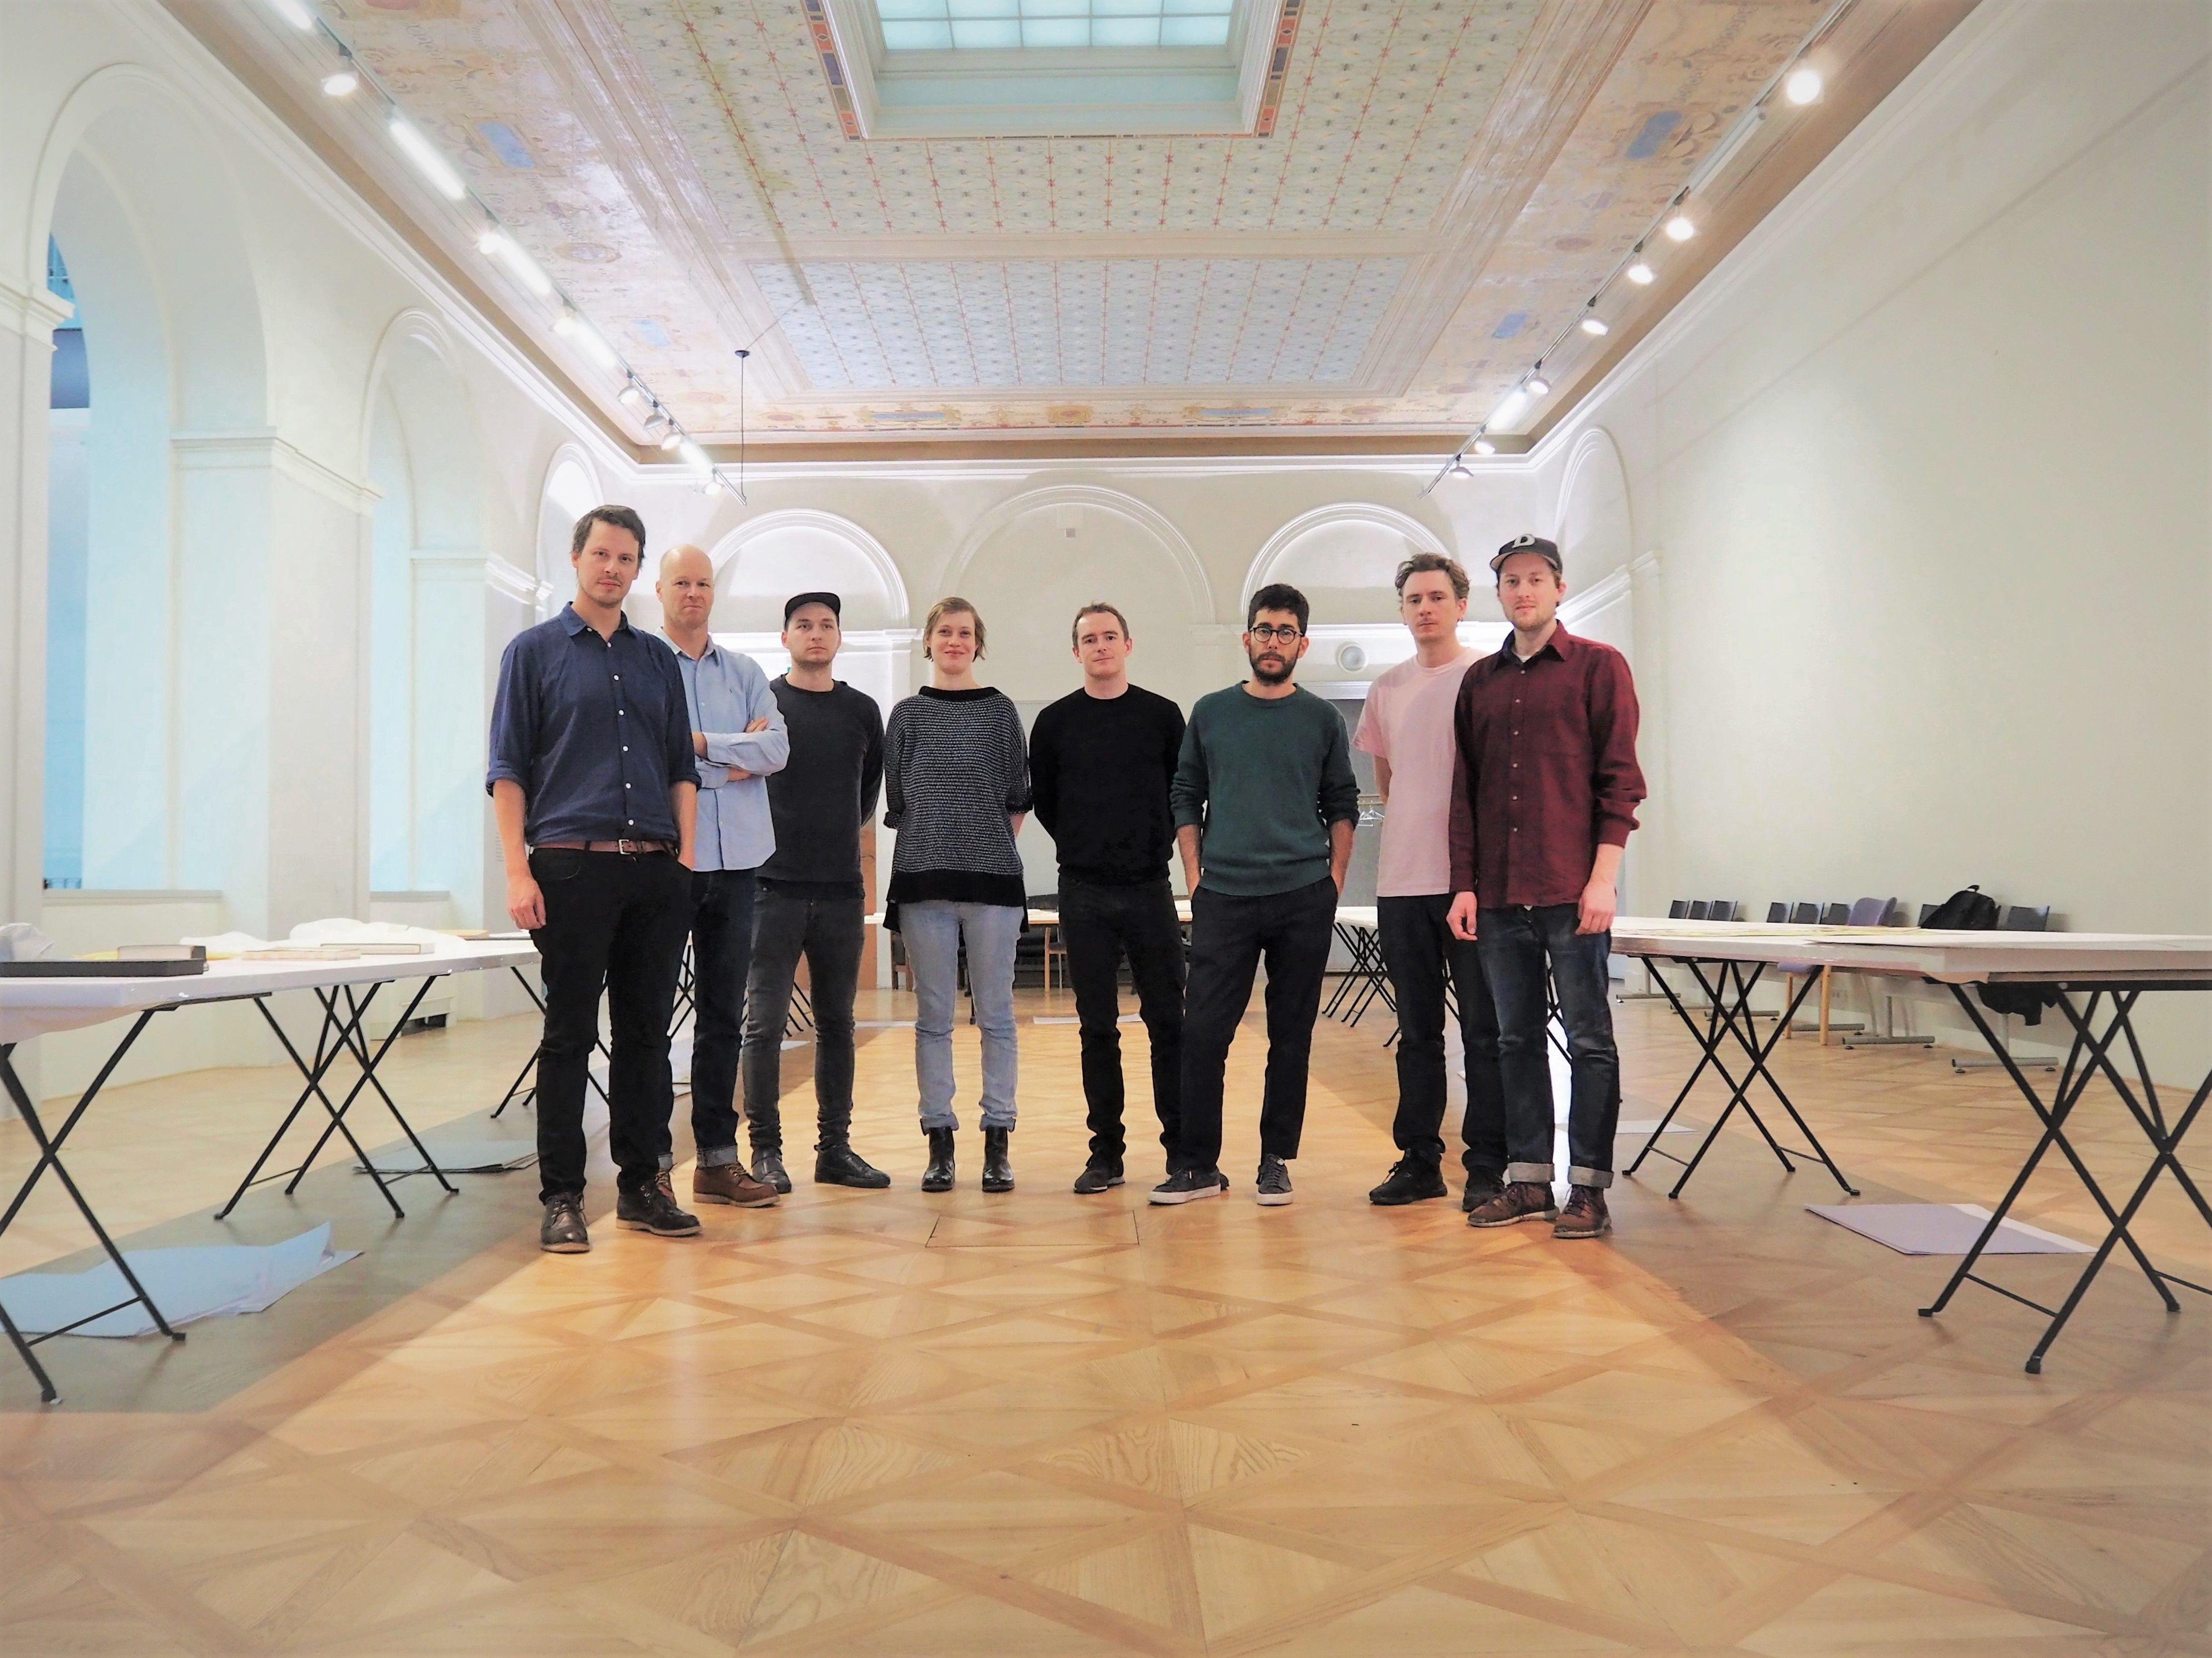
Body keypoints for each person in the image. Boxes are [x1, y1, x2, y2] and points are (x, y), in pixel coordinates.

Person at [488, 504, 700, 1253]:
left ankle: (643, 1185)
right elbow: (507, 770)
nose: (613, 568)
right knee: (569, 1035)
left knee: (646, 1037)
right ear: (576, 558)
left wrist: (684, 862)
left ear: (638, 570)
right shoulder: (533, 652)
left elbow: (680, 767)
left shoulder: (656, 661)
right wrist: (517, 871)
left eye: (626, 558)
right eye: (601, 554)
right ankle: (562, 1197)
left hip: (654, 870)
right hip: (570, 867)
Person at [1448, 534, 1646, 1240]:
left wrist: (1602, 881)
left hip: (1571, 893)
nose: (1522, 591)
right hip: (1500, 896)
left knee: (1589, 1041)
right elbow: (1466, 794)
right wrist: (1464, 886)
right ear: (1498, 593)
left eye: (1535, 579)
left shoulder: (1598, 667)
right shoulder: (1479, 683)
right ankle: (1529, 1179)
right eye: (1510, 581)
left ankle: (1587, 1189)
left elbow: (1619, 784)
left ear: (1559, 588)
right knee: (1515, 1040)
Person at [1152, 582, 1357, 1207]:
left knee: (1290, 1036)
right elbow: (1185, 794)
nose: (1273, 641)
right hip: (1225, 895)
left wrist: (1333, 881)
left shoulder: (1321, 720)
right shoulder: (1212, 712)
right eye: (1264, 630)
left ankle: (1275, 1161)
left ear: (1302, 644)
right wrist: (1195, 876)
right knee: (1202, 1033)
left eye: (1285, 632)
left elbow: (1341, 803)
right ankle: (1197, 1166)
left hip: (1302, 895)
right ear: (1246, 638)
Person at [1355, 552, 1509, 1210]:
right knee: (1416, 1033)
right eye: (1413, 599)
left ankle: (1487, 1166)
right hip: (1401, 884)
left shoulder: (1486, 675)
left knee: (1482, 1032)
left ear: (1460, 604)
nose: (1424, 608)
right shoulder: (1386, 688)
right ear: (1401, 610)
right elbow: (1389, 781)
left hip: (1470, 884)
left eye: (1436, 597)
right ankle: (1419, 1161)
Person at [1029, 603, 1188, 1194]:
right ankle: (1106, 1154)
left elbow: (1181, 792)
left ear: (1127, 644)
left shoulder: (1162, 716)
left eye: (1109, 636)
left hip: (1149, 886)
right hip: (1084, 889)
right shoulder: (1054, 722)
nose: (1100, 646)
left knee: (1168, 1021)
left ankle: (1182, 1151)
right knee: (1096, 1027)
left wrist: (1149, 842)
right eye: (1089, 639)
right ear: (1076, 652)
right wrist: (1083, 843)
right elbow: (1046, 801)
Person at [739, 592, 891, 1192]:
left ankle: (835, 1150)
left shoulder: (861, 711)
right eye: (803, 625)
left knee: (837, 1024)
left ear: (838, 637)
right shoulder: (763, 703)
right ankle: (765, 1152)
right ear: (785, 638)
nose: (816, 633)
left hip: (839, 891)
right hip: (769, 887)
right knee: (763, 1027)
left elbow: (865, 794)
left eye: (826, 625)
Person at [884, 597, 1032, 1194]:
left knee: (996, 1016)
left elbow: (1017, 797)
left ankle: (997, 1140)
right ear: (928, 641)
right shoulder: (906, 716)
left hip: (992, 884)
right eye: (944, 631)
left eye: (964, 632)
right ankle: (939, 1142)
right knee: (933, 1018)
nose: (954, 640)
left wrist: (981, 844)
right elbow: (899, 801)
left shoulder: (1000, 713)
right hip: (923, 883)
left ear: (978, 644)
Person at [655, 545, 785, 1211]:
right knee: (649, 1018)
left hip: (737, 867)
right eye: (681, 581)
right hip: (665, 862)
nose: (693, 593)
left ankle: (715, 1160)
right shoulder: (644, 666)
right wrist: (736, 757)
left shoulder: (745, 671)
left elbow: (777, 749)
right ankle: (651, 1165)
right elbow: (652, 754)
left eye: (703, 583)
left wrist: (701, 745)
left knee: (721, 1018)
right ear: (659, 590)